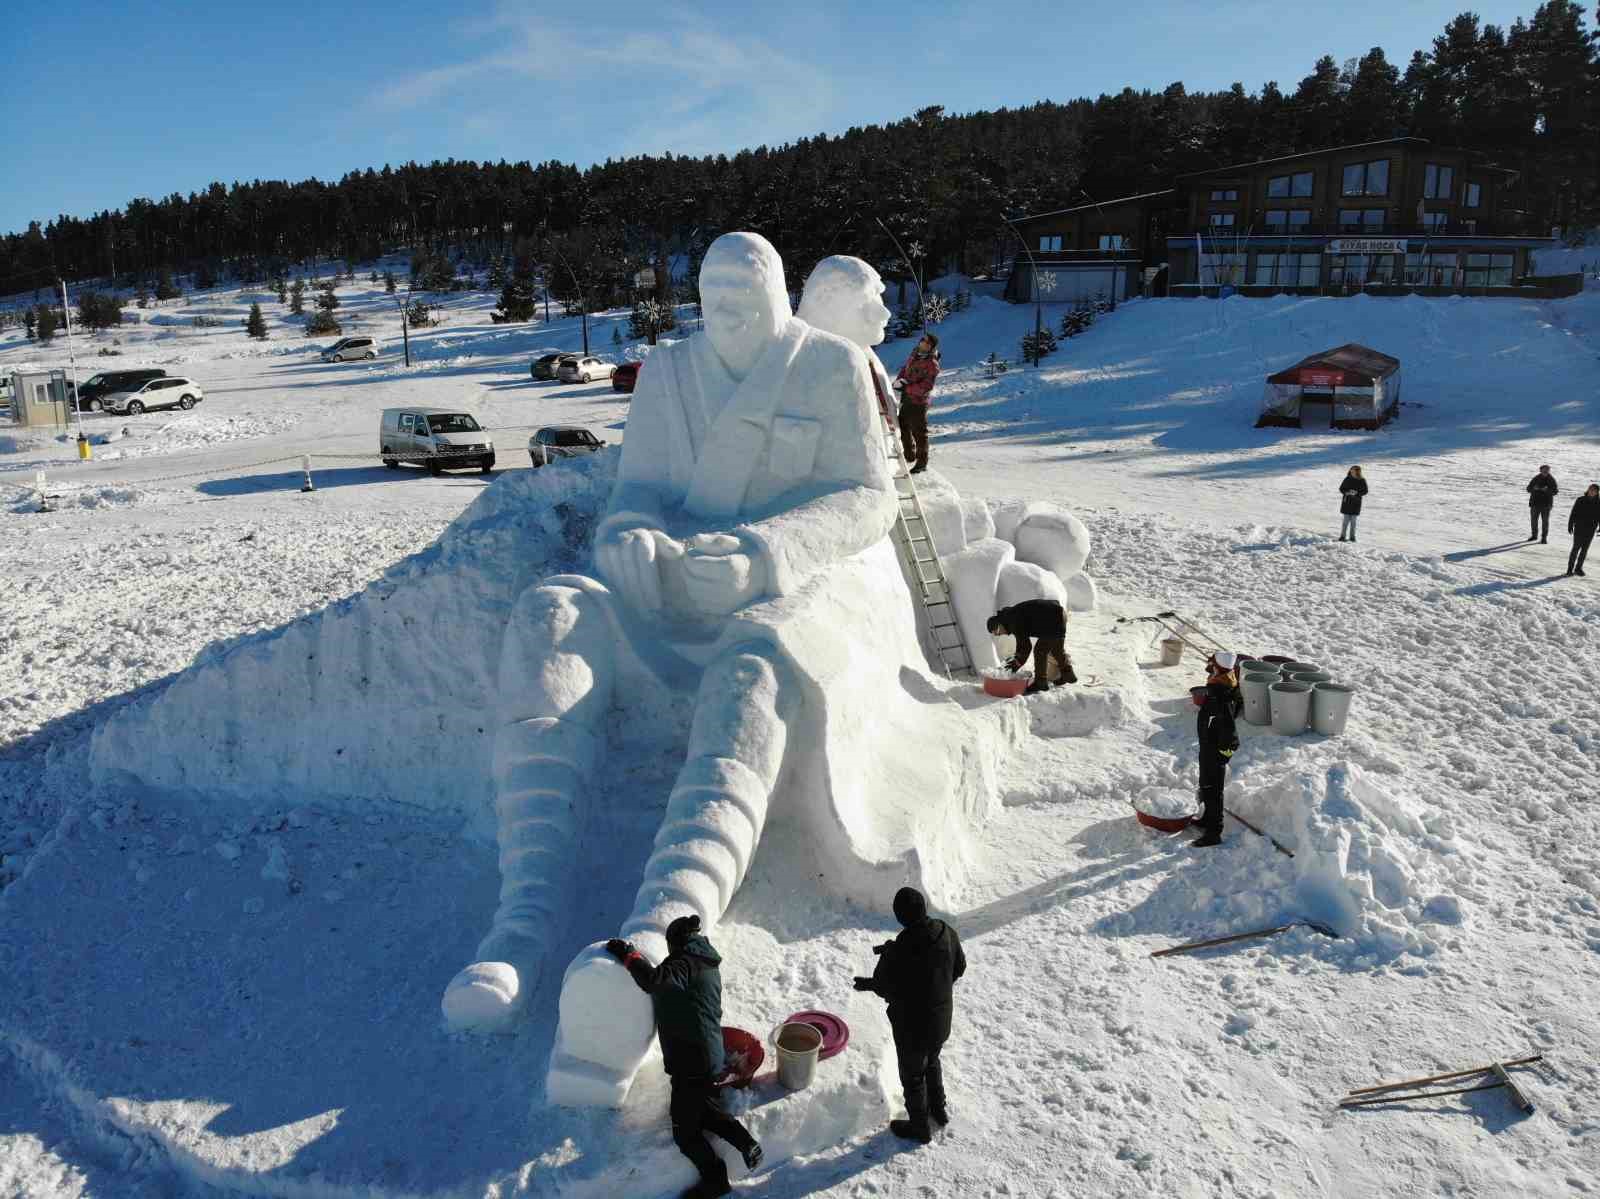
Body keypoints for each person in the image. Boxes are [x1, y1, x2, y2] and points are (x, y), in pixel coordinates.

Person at [607, 915, 762, 1198]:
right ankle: (746, 1143)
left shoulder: (686, 963)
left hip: (691, 1060)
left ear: (675, 943)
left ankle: (716, 1181)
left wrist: (629, 955)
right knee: (701, 1109)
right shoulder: (705, 962)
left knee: (684, 1131)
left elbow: (654, 981)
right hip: (706, 1054)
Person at [853, 887, 966, 1144]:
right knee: (932, 1061)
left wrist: (868, 982)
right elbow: (959, 966)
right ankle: (938, 1109)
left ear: (899, 917)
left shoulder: (899, 951)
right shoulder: (946, 932)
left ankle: (919, 1127)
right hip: (941, 1020)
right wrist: (937, 987)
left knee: (913, 1076)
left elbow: (884, 986)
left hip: (912, 1029)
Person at [1192, 651, 1242, 848]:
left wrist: (1223, 754)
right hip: (1210, 745)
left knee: (1213, 790)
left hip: (1216, 749)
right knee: (1206, 785)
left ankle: (1214, 832)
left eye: (1213, 665)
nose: (1210, 667)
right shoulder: (1224, 683)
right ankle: (1207, 819)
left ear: (1219, 668)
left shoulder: (1220, 694)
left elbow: (1229, 730)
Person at [986, 599, 1077, 695]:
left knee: (1040, 650)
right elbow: (1023, 647)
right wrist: (1017, 661)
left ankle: (1040, 682)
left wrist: (1014, 665)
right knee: (1057, 650)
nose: (999, 634)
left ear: (999, 623)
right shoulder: (1010, 617)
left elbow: (1025, 647)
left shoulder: (1013, 620)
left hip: (1052, 617)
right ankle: (1068, 675)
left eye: (997, 631)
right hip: (1059, 614)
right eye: (995, 634)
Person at [894, 332, 941, 474]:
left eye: (927, 343)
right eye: (923, 341)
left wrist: (907, 388)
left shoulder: (932, 364)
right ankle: (909, 455)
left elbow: (926, 386)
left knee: (919, 433)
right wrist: (899, 381)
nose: (923, 344)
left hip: (919, 403)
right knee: (903, 426)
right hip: (907, 399)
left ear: (931, 347)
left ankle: (921, 463)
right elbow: (905, 369)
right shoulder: (915, 354)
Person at [1568, 483, 1600, 576]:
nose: (1592, 491)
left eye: (1594, 490)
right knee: (1575, 548)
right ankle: (1570, 569)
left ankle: (1578, 568)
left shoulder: (1598, 502)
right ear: (1588, 490)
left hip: (1591, 529)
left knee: (1584, 550)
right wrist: (1570, 524)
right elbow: (1573, 512)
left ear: (1597, 492)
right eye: (1590, 489)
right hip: (1579, 527)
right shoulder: (1580, 500)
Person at [1528, 465, 1559, 543]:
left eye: (1547, 470)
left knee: (1545, 522)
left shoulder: (1551, 480)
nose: (1546, 471)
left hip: (1546, 504)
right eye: (1544, 470)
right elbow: (1528, 489)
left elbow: (1555, 491)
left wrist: (1547, 490)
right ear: (1540, 470)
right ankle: (1534, 536)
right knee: (1534, 521)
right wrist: (1534, 489)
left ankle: (1544, 538)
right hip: (1535, 503)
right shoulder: (1536, 478)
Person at [1338, 466, 1368, 542]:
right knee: (1345, 521)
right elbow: (1341, 489)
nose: (1351, 471)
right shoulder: (1347, 479)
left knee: (1353, 522)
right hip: (1347, 502)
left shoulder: (1362, 480)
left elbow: (1365, 491)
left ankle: (1352, 537)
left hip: (1356, 503)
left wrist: (1357, 493)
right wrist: (1346, 492)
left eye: (1353, 470)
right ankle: (1342, 536)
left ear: (1357, 471)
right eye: (1351, 469)